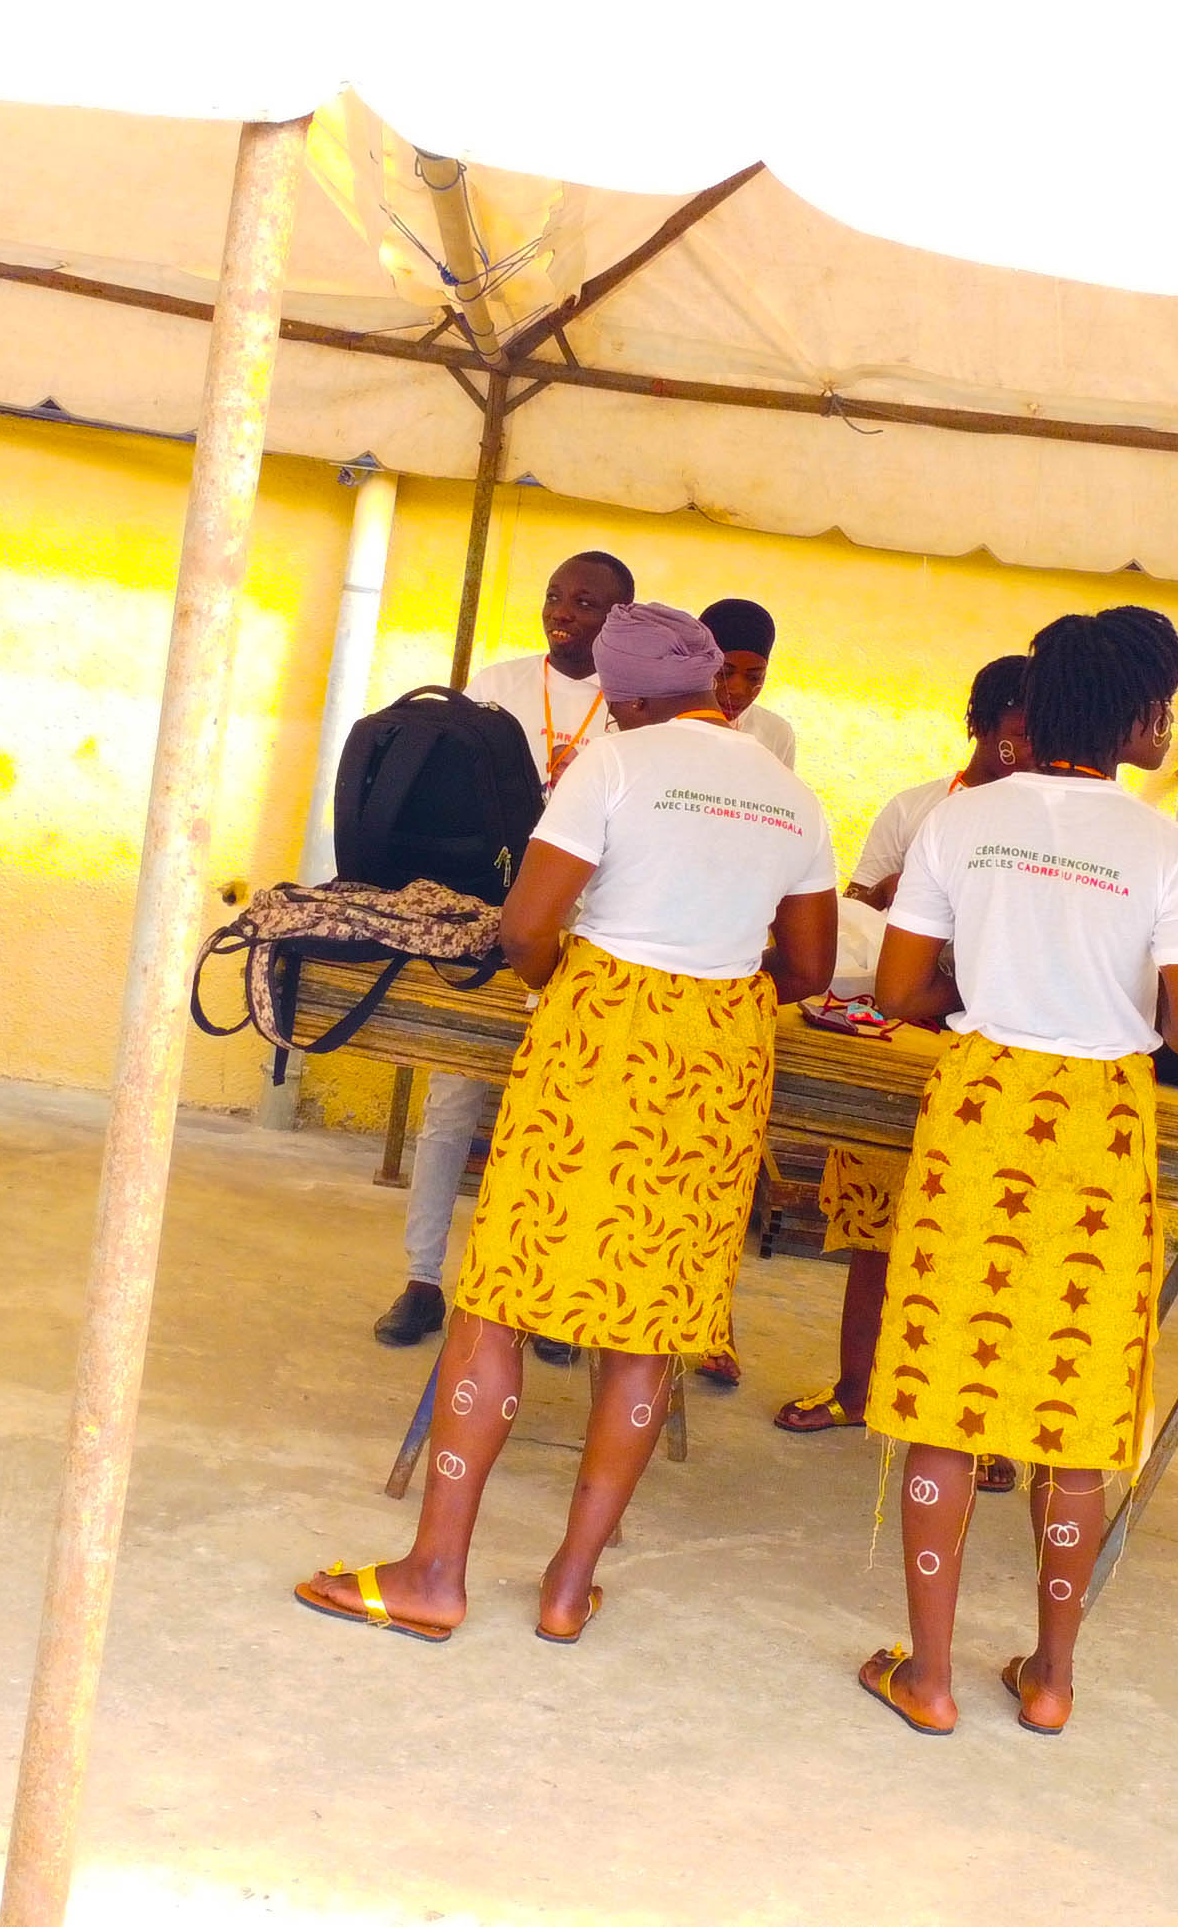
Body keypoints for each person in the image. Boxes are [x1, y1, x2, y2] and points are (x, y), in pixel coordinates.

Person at [301, 604, 839, 1645]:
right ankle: (565, 1588)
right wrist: (712, 996)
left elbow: (526, 927)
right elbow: (811, 967)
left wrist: (570, 985)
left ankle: (434, 1575)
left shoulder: (616, 763)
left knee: (499, 1300)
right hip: (720, 1056)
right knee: (648, 1329)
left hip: (599, 1032)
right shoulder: (793, 794)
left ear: (626, 697)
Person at [851, 609, 1178, 1738]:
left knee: (946, 1398)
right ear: (1138, 715)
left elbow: (897, 990)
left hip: (979, 1111)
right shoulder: (1168, 850)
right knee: (1076, 1408)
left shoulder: (961, 821)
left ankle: (928, 1679)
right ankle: (1052, 1679)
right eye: (1167, 707)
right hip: (1100, 1128)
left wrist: (987, 984)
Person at [774, 653, 1030, 1489]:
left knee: (983, 1245)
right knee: (874, 1226)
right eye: (1017, 728)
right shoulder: (918, 810)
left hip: (991, 1052)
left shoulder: (1047, 825)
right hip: (902, 1042)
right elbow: (850, 923)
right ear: (982, 725)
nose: (1030, 745)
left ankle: (975, 1425)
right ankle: (857, 1389)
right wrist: (887, 896)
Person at [374, 549, 636, 1356]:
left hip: (590, 921)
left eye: (585, 602)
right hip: (493, 909)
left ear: (619, 617)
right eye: (555, 596)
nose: (563, 612)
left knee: (566, 1114)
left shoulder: (637, 707)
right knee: (452, 1098)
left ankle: (546, 1294)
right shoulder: (498, 683)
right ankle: (423, 1279)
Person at [699, 597, 797, 769]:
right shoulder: (660, 720)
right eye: (724, 672)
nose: (737, 690)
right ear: (697, 662)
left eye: (754, 677)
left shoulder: (776, 734)